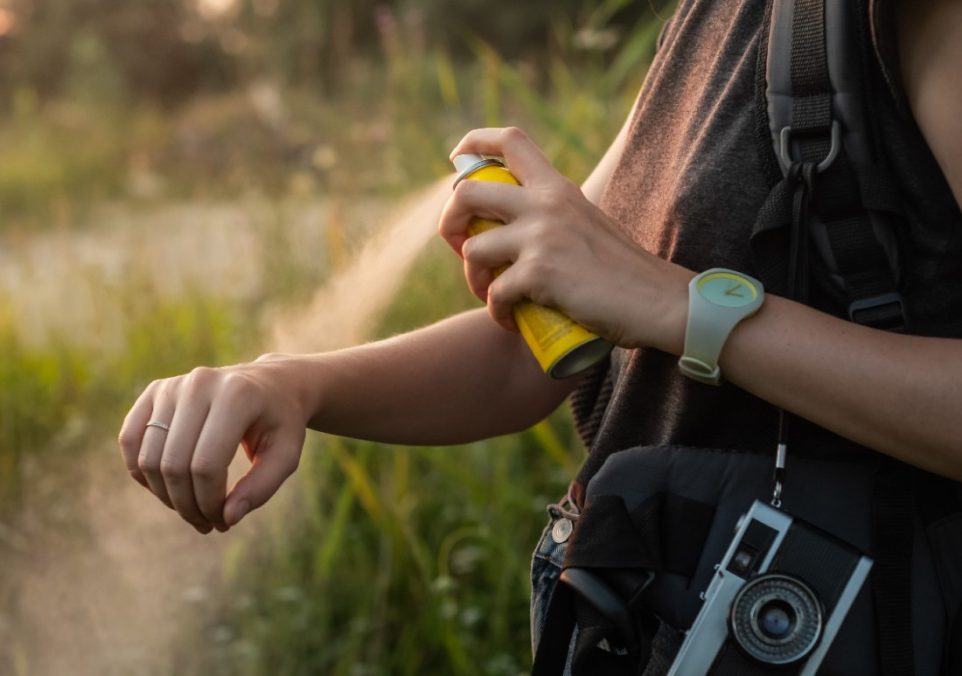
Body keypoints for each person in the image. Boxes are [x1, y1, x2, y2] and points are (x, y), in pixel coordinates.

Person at [118, 0, 962, 672]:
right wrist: (292, 383)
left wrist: (684, 309)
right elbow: (534, 352)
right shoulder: (718, 18)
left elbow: (644, 298)